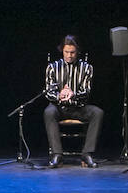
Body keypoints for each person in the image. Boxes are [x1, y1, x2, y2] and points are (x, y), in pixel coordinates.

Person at [42, 35, 102, 167]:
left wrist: (73, 94)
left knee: (97, 112)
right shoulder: (53, 67)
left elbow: (86, 92)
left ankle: (87, 153)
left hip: (78, 108)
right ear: (62, 51)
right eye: (66, 52)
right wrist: (59, 95)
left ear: (77, 51)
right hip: (59, 108)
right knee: (48, 112)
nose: (69, 55)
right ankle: (57, 154)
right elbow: (49, 92)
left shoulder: (87, 68)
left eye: (72, 52)